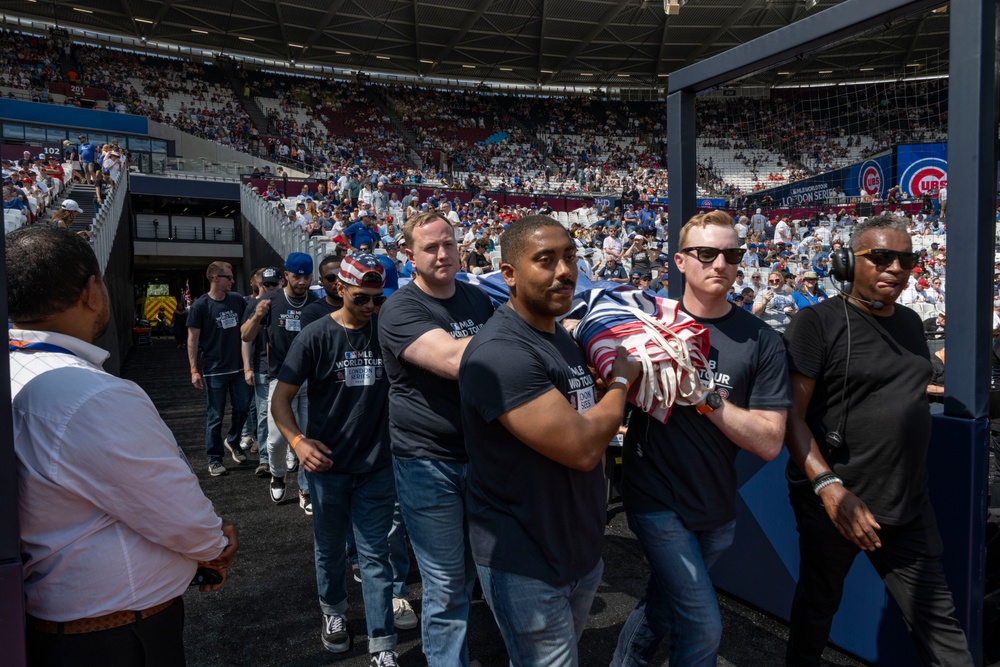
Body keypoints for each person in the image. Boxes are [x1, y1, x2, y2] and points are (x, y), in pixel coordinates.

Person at [8, 226, 238, 665]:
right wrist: (217, 546)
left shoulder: (20, 367)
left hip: (58, 625)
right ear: (93, 291)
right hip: (116, 634)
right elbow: (176, 510)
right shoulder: (91, 393)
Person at [783, 214, 973, 666]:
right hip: (837, 502)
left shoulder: (909, 322)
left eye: (905, 259)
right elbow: (789, 414)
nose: (895, 267)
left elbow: (896, 383)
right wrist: (828, 489)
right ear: (849, 263)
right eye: (881, 257)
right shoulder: (816, 324)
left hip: (907, 502)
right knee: (817, 607)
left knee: (939, 625)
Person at [612, 210, 791, 667]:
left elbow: (769, 442)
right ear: (680, 261)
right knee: (702, 623)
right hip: (655, 499)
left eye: (732, 254)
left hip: (716, 508)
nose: (721, 264)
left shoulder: (761, 339)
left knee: (666, 605)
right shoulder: (646, 321)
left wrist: (703, 396)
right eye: (707, 253)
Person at [460, 215, 641, 666]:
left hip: (577, 548)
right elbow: (581, 448)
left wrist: (599, 395)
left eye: (570, 257)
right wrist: (620, 384)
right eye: (545, 260)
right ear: (509, 275)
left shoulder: (559, 334)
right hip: (525, 558)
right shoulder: (501, 351)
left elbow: (573, 415)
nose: (564, 271)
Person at [378, 211, 495, 666]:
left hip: (480, 456)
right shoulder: (400, 309)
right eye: (431, 247)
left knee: (469, 575)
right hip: (428, 462)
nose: (443, 254)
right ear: (410, 256)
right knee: (445, 587)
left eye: (449, 243)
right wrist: (520, 337)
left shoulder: (477, 299)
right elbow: (453, 360)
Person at [271, 253, 400, 665]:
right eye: (362, 299)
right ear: (339, 290)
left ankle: (382, 643)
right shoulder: (314, 335)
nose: (370, 308)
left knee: (375, 554)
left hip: (377, 465)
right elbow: (281, 399)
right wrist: (297, 442)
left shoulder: (386, 331)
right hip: (328, 468)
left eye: (377, 301)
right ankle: (334, 613)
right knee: (328, 549)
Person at [240, 252, 318, 512]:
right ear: (286, 275)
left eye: (307, 277)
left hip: (310, 381)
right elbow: (246, 335)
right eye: (297, 277)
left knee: (308, 439)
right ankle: (278, 474)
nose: (303, 282)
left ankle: (305, 489)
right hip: (281, 381)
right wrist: (257, 315)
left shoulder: (315, 303)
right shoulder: (271, 301)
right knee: (275, 440)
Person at [188, 261, 251, 476]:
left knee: (243, 408)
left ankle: (233, 441)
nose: (232, 281)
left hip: (238, 368)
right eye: (228, 277)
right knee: (215, 416)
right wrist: (194, 370)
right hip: (215, 370)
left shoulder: (236, 300)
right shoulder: (200, 306)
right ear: (215, 278)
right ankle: (214, 458)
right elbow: (192, 340)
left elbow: (247, 329)